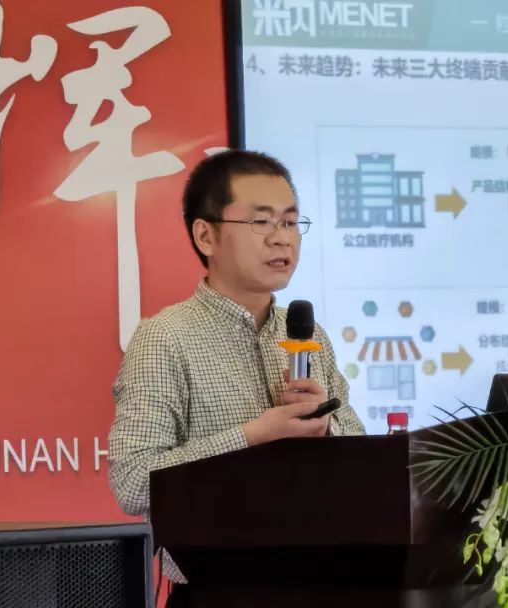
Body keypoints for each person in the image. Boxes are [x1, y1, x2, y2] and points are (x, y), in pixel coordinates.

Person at [107, 149, 365, 604]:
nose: (282, 239)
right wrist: (252, 436)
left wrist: (328, 428)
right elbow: (132, 481)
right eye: (261, 222)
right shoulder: (165, 337)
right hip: (219, 591)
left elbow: (363, 458)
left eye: (291, 222)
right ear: (206, 235)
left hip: (325, 584)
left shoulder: (308, 334)